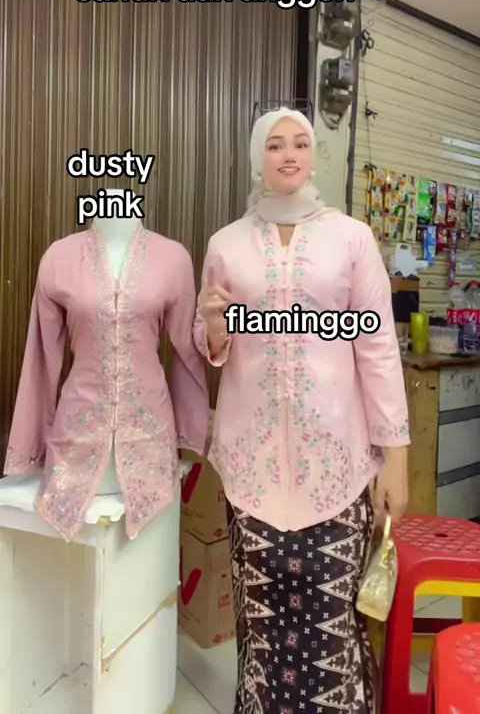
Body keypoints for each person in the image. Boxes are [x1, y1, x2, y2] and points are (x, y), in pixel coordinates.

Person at [193, 107, 409, 714]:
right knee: (261, 628)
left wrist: (396, 458)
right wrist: (213, 324)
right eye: (274, 145)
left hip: (337, 469)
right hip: (252, 471)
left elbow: (377, 349)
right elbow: (211, 343)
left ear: (313, 155)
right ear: (257, 158)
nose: (288, 155)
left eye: (299, 143)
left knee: (334, 626)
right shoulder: (226, 245)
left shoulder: (351, 238)